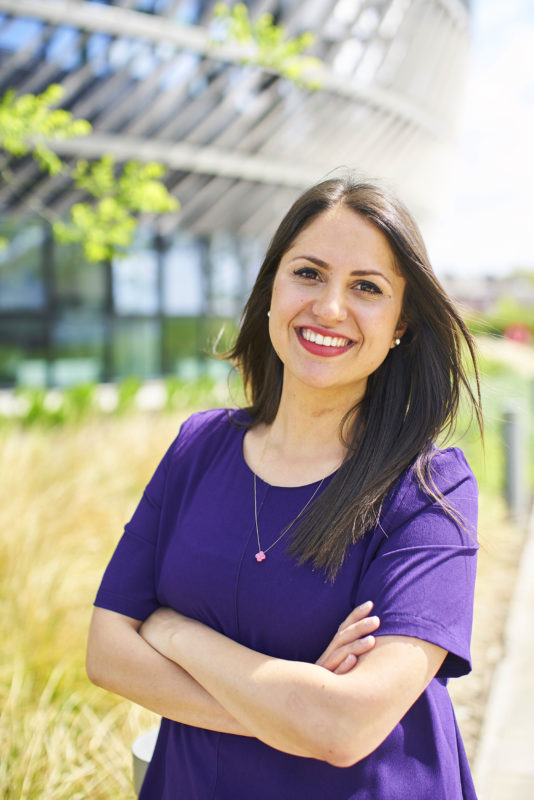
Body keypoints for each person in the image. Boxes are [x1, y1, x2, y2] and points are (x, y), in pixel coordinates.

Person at [86, 176, 482, 800]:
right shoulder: (198, 447)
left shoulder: (430, 492)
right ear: (273, 287)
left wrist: (173, 633)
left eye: (367, 288)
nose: (329, 308)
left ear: (402, 322)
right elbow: (107, 652)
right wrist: (292, 710)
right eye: (308, 273)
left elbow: (346, 726)